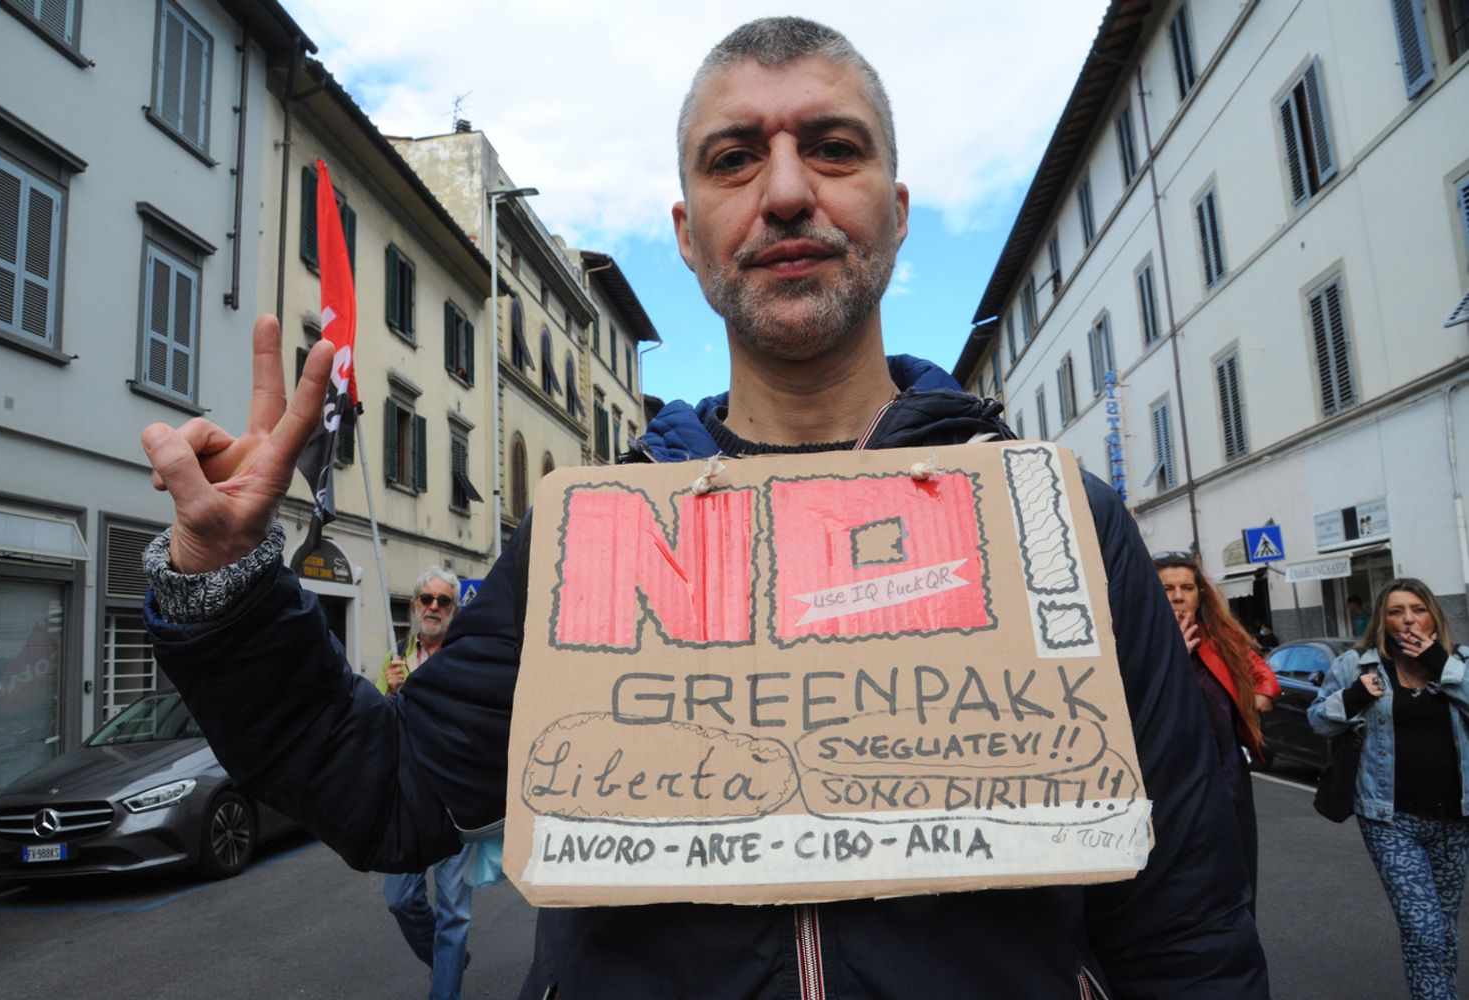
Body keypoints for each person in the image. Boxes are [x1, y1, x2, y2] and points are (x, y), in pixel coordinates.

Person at [138, 17, 1268, 998]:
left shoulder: (1060, 523)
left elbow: (1184, 921)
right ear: (687, 234)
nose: (787, 192)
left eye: (833, 148)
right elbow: (394, 794)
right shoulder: (587, 538)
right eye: (736, 159)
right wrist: (223, 587)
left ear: (897, 210)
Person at [1309, 579, 1469, 1000]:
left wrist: (1441, 665)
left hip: (1456, 820)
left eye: (1417, 609)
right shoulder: (1357, 665)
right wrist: (1353, 697)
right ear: (1382, 620)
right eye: (1396, 611)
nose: (1408, 620)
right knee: (1423, 929)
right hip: (1390, 819)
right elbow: (1318, 720)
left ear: (1433, 615)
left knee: (1442, 929)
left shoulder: (1460, 662)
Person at [1154, 552, 1280, 914]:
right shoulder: (1139, 641)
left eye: (1187, 587)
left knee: (1239, 880)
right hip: (1172, 785)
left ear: (1200, 593)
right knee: (1187, 889)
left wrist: (1263, 695)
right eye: (1167, 589)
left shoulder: (1219, 637)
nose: (1178, 596)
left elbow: (1263, 673)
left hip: (1228, 777)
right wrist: (1174, 656)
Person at [378, 567, 474, 1000]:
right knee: (400, 898)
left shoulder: (466, 656)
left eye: (443, 600)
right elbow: (377, 725)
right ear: (415, 604)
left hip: (456, 801)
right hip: (408, 802)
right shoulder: (396, 657)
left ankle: (445, 983)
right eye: (426, 599)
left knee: (453, 914)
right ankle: (449, 959)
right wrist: (389, 693)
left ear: (454, 609)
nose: (434, 607)